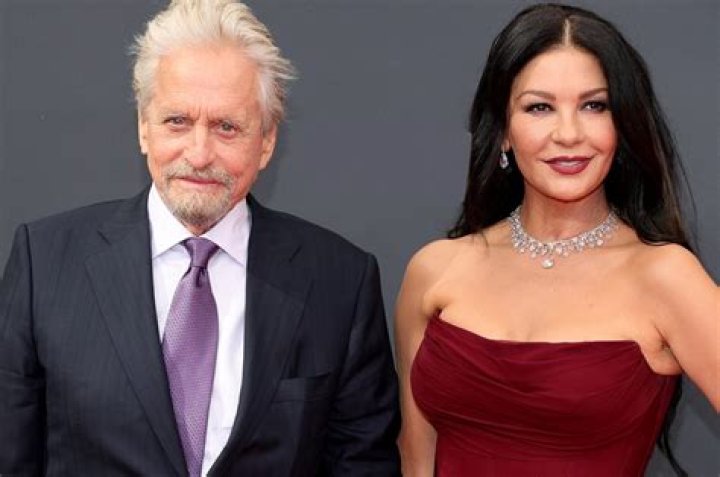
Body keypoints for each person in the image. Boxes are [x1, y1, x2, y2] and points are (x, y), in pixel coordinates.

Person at [0, 1, 400, 475]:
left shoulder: (340, 282)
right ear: (143, 128)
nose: (199, 153)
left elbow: (363, 464)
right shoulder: (46, 264)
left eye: (226, 127)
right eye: (177, 121)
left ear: (266, 142)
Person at [395, 3, 718, 477]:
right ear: (503, 131)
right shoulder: (435, 270)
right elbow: (416, 457)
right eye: (539, 107)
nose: (568, 133)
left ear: (623, 125)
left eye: (594, 106)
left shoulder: (665, 276)